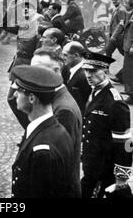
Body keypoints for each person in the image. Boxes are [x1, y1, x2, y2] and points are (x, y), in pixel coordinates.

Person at [7, 48, 82, 197]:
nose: (31, 75)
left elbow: (53, 170)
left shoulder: (63, 110)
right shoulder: (52, 104)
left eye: (36, 70)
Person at [81, 52, 132, 198]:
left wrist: (121, 177)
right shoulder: (94, 92)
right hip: (92, 165)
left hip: (104, 170)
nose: (88, 75)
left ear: (106, 71)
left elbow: (125, 143)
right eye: (86, 70)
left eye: (93, 71)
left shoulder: (115, 103)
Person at [62, 41, 92, 116]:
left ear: (76, 55)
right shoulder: (66, 68)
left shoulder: (85, 75)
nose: (63, 58)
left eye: (65, 55)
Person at [121, 0, 133, 104]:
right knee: (127, 71)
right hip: (127, 46)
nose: (127, 1)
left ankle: (131, 95)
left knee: (129, 71)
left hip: (131, 49)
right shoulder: (130, 13)